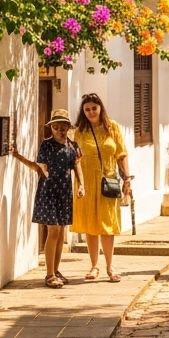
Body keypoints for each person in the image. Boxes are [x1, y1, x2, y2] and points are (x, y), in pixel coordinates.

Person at [10, 109, 85, 289]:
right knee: (53, 231)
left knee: (60, 233)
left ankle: (56, 270)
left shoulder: (73, 146)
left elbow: (77, 166)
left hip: (64, 193)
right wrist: (19, 157)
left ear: (68, 127)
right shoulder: (46, 145)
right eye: (56, 127)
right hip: (48, 192)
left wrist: (81, 185)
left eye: (63, 127)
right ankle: (49, 274)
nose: (59, 130)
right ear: (51, 128)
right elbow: (39, 168)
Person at [71, 93, 133, 282]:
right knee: (91, 225)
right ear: (83, 111)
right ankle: (94, 266)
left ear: (100, 108)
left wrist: (127, 179)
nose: (91, 112)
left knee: (107, 224)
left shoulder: (112, 127)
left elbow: (121, 154)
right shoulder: (80, 131)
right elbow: (74, 158)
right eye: (87, 109)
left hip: (108, 181)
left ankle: (110, 266)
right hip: (86, 182)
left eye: (94, 108)